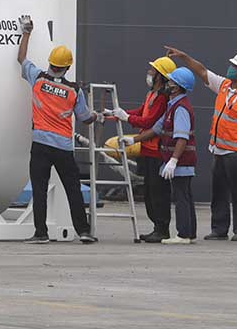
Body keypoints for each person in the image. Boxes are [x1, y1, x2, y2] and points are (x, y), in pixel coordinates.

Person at [17, 15, 99, 244]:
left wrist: (26, 33)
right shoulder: (74, 91)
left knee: (40, 190)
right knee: (73, 189)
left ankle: (41, 233)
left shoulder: (38, 79)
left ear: (51, 62)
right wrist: (97, 115)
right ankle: (83, 231)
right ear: (67, 66)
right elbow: (85, 117)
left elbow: (21, 58)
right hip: (63, 147)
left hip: (41, 144)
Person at [165, 46, 237, 241]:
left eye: (235, 66)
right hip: (219, 151)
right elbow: (202, 71)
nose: (230, 68)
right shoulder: (224, 86)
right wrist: (184, 57)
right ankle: (219, 228)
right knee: (219, 192)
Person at [122, 67, 198, 245]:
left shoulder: (181, 108)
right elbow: (156, 128)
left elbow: (182, 137)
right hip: (179, 160)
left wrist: (173, 161)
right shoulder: (173, 106)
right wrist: (134, 140)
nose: (168, 84)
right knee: (184, 196)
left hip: (181, 160)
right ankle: (189, 233)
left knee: (181, 197)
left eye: (171, 82)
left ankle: (184, 234)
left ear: (178, 87)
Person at [106, 56, 176, 242]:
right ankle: (156, 228)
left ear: (160, 76)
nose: (149, 73)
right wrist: (118, 114)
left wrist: (126, 118)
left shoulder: (162, 98)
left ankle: (162, 229)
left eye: (152, 71)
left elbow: (149, 122)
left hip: (157, 152)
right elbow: (141, 112)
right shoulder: (152, 94)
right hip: (147, 150)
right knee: (149, 192)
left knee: (158, 192)